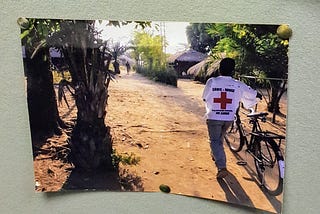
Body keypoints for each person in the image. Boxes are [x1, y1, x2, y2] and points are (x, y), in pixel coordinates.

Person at [202, 58, 261, 179]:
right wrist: (258, 95)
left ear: (219, 69)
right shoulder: (238, 84)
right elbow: (253, 93)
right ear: (233, 70)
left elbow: (204, 97)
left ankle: (221, 167)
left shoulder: (212, 81)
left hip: (214, 117)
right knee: (220, 138)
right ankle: (216, 153)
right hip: (228, 118)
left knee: (215, 140)